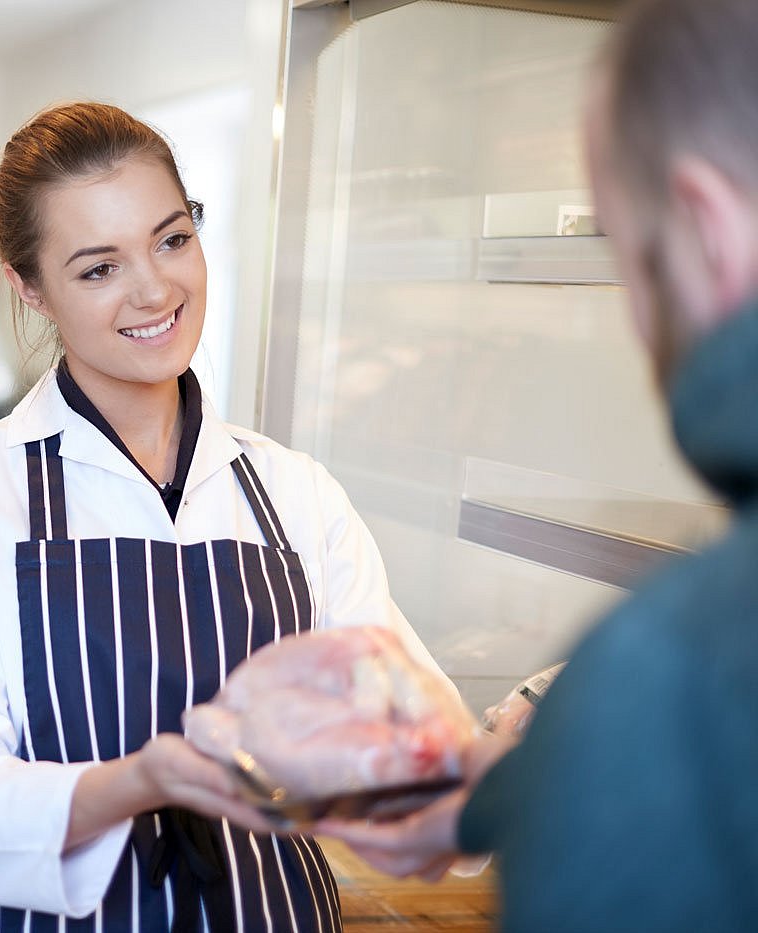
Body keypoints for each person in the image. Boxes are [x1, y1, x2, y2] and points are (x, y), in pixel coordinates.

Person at [0, 102, 454, 931]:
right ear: (29, 286)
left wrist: (487, 754)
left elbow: (407, 751)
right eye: (97, 268)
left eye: (172, 239)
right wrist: (139, 782)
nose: (154, 289)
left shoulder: (294, 491)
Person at [311, 1, 758, 930]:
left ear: (706, 226)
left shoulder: (662, 675)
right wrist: (519, 787)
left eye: (635, 259)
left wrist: (581, 754)